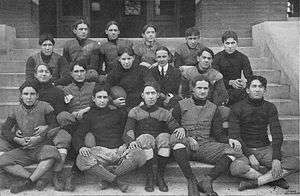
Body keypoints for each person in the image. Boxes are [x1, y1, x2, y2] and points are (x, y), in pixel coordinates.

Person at [170, 76, 255, 196]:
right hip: (185, 144)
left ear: (209, 90)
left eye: (205, 88)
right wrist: (187, 137)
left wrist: (231, 140)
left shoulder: (213, 108)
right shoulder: (181, 105)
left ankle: (207, 180)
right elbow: (171, 125)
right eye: (199, 88)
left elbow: (219, 134)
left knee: (234, 151)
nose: (202, 91)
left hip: (205, 145)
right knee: (176, 141)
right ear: (192, 89)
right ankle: (191, 180)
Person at [228, 75, 299, 191]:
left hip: (265, 149)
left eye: (260, 87)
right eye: (254, 86)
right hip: (245, 150)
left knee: (295, 162)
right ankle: (273, 179)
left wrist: (276, 158)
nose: (257, 89)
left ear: (265, 90)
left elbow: (277, 134)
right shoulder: (237, 107)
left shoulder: (270, 107)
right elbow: (235, 135)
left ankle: (256, 182)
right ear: (247, 89)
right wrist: (250, 155)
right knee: (236, 168)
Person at [73, 84, 146, 193]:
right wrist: (81, 147)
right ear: (93, 99)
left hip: (120, 150)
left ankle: (108, 177)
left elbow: (126, 131)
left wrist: (128, 143)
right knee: (81, 159)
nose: (102, 100)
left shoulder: (118, 113)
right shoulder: (89, 116)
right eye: (99, 97)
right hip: (101, 152)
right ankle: (115, 179)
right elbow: (78, 135)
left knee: (139, 154)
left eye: (105, 97)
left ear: (109, 99)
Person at [0, 81, 61, 194]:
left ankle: (28, 182)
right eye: (26, 94)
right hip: (23, 148)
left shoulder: (45, 106)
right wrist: (16, 139)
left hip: (41, 147)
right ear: (21, 96)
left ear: (37, 95)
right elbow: (5, 130)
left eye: (32, 94)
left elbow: (55, 125)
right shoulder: (16, 110)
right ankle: (34, 179)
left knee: (52, 154)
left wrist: (44, 130)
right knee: (2, 160)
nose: (29, 97)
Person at [123, 82, 185, 192]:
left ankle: (160, 176)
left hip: (160, 147)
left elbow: (173, 127)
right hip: (144, 146)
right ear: (143, 95)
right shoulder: (135, 111)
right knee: (146, 138)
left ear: (157, 95)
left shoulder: (164, 112)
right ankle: (150, 176)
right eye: (147, 93)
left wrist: (179, 128)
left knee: (164, 137)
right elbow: (129, 129)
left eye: (153, 93)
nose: (151, 96)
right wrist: (131, 141)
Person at [30, 64, 72, 191]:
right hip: (33, 128)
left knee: (64, 138)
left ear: (50, 75)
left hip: (53, 127)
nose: (43, 74)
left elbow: (60, 115)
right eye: (40, 71)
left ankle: (56, 173)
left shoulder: (57, 92)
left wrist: (47, 127)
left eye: (46, 71)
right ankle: (44, 176)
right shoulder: (29, 91)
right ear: (35, 74)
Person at [56, 59, 96, 191]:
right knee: (63, 119)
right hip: (73, 124)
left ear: (86, 72)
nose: (79, 74)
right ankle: (60, 175)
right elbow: (61, 109)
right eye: (76, 71)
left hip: (89, 123)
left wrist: (87, 109)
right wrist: (73, 114)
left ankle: (73, 176)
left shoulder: (93, 86)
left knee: (88, 143)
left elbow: (102, 101)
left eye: (82, 71)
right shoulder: (65, 89)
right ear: (71, 74)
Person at [212, 31, 253, 105]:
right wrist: (230, 82)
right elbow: (215, 79)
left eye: (233, 43)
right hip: (222, 88)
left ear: (237, 43)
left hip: (237, 89)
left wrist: (244, 84)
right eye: (227, 43)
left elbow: (250, 77)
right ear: (223, 44)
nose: (230, 46)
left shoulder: (243, 57)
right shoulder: (217, 58)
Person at [62, 18, 99, 83]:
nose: (84, 31)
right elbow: (65, 63)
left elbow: (94, 65)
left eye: (86, 29)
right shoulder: (68, 44)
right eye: (81, 29)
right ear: (75, 31)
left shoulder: (94, 44)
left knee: (93, 74)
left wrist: (82, 72)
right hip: (73, 72)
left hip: (87, 72)